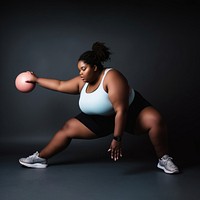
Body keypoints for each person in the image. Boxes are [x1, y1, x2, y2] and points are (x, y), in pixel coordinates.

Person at [19, 41, 179, 174]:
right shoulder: (82, 82)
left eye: (83, 69)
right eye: (79, 70)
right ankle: (40, 158)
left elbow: (121, 110)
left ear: (95, 67)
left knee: (155, 120)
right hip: (101, 119)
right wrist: (37, 80)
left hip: (130, 113)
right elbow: (60, 85)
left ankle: (163, 159)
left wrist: (117, 138)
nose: (80, 73)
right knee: (67, 128)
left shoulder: (112, 77)